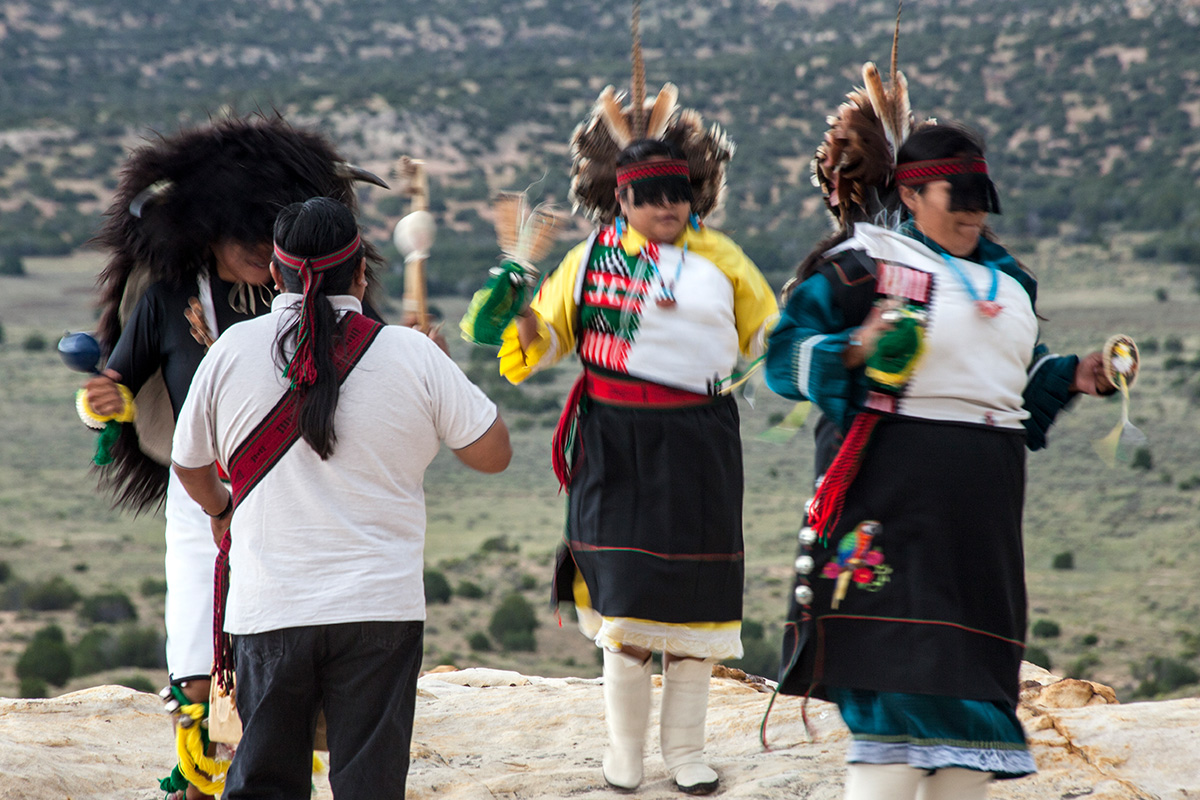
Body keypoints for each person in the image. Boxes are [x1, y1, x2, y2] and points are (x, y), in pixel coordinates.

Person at [764, 108, 1117, 799]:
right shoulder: (864, 267)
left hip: (980, 516)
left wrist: (1074, 375)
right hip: (890, 504)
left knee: (973, 700)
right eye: (956, 200)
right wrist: (858, 346)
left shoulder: (1008, 283)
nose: (972, 216)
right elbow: (784, 358)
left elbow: (1015, 391)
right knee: (899, 686)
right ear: (912, 195)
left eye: (980, 202)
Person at [486, 65, 777, 792]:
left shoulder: (723, 261)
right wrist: (519, 305)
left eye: (678, 194)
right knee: (623, 600)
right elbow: (543, 343)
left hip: (701, 444)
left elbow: (770, 337)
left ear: (692, 195)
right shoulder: (587, 264)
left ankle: (685, 752)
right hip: (612, 444)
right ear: (622, 199)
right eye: (650, 198)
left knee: (696, 605)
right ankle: (625, 753)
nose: (668, 208)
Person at [78, 114, 387, 800]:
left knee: (284, 650)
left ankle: (270, 772)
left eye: (266, 232)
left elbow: (371, 365)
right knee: (198, 643)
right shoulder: (166, 299)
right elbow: (118, 382)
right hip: (201, 495)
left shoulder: (319, 305)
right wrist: (103, 401)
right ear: (203, 228)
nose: (255, 246)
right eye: (239, 230)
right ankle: (199, 776)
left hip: (299, 496)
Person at [171, 196, 512, 799]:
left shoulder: (228, 352)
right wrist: (439, 372)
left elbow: (190, 467)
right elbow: (493, 455)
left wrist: (223, 511)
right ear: (360, 273)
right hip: (381, 608)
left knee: (264, 786)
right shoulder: (413, 356)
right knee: (370, 786)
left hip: (269, 609)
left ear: (275, 274)